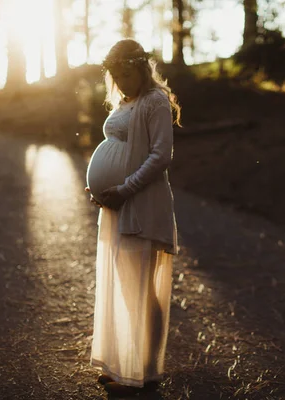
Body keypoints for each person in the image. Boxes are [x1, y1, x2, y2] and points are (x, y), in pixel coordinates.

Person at [84, 39, 181, 396]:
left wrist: (123, 189)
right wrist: (98, 188)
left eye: (126, 75)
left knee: (143, 287)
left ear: (140, 68)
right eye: (116, 77)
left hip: (140, 203)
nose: (121, 83)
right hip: (117, 205)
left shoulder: (155, 101)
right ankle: (125, 365)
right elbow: (115, 150)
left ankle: (146, 370)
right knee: (127, 286)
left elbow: (160, 156)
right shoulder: (126, 101)